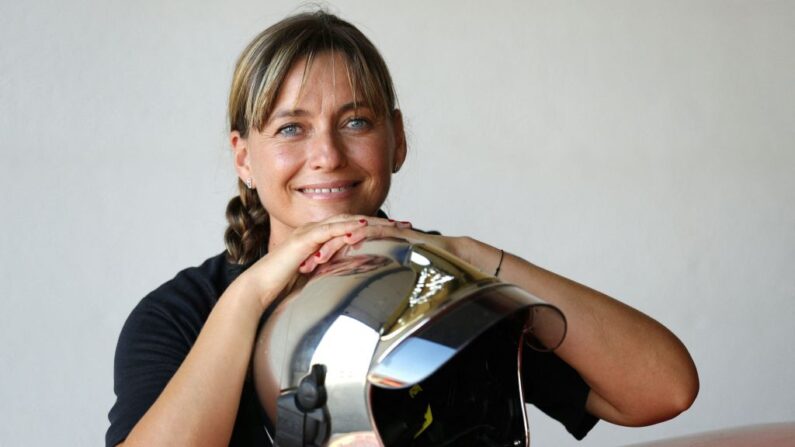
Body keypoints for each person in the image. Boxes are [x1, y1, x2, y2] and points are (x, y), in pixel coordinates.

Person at [106, 10, 699, 447]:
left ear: (397, 139)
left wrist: (472, 257)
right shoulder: (180, 314)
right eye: (291, 128)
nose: (327, 155)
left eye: (355, 121)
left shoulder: (451, 288)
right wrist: (253, 294)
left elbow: (665, 390)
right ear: (243, 157)